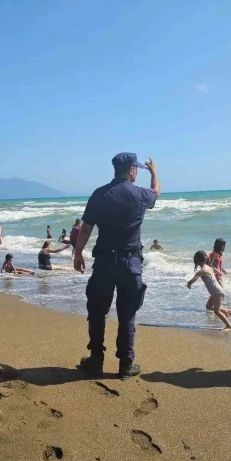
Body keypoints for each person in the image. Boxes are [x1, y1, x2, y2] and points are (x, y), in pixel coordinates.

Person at [73, 153, 161, 379]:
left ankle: (96, 360)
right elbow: (156, 192)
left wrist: (79, 253)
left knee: (97, 311)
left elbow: (86, 228)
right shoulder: (140, 194)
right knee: (127, 314)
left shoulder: (100, 194)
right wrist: (154, 172)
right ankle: (125, 364)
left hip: (104, 261)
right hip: (130, 262)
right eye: (138, 169)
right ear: (132, 170)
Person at [187, 251, 231, 331]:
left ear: (197, 261)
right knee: (208, 306)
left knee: (216, 311)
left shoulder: (202, 271)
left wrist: (189, 284)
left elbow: (194, 279)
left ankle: (230, 327)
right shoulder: (210, 268)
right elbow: (220, 274)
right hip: (217, 291)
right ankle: (226, 311)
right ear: (205, 259)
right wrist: (213, 269)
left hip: (217, 292)